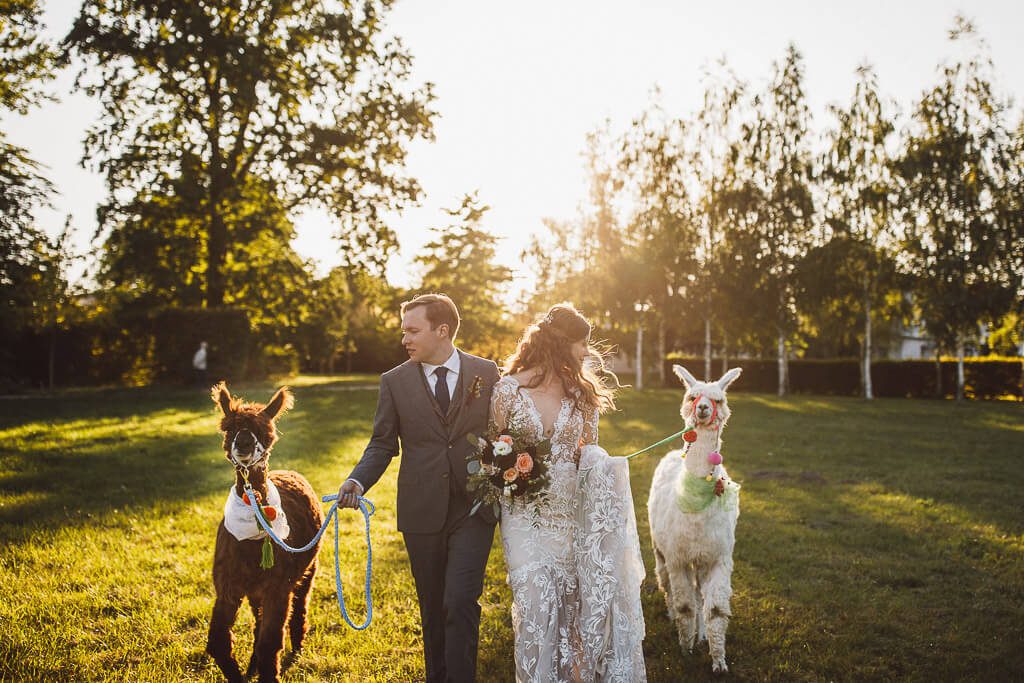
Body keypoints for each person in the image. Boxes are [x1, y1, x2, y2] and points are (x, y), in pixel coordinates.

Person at [337, 293, 501, 683]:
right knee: (432, 608)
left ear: (442, 330)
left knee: (460, 601)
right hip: (420, 509)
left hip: (473, 508)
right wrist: (357, 480)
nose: (404, 339)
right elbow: (381, 444)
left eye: (413, 330)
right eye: (403, 331)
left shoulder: (487, 372)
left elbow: (504, 431)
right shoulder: (393, 382)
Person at [490, 303, 647, 682]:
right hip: (524, 516)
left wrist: (607, 465)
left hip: (572, 516)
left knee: (575, 610)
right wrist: (510, 469)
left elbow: (589, 454)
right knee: (536, 603)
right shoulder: (507, 390)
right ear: (562, 343)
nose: (586, 352)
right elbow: (492, 451)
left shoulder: (582, 396)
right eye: (582, 344)